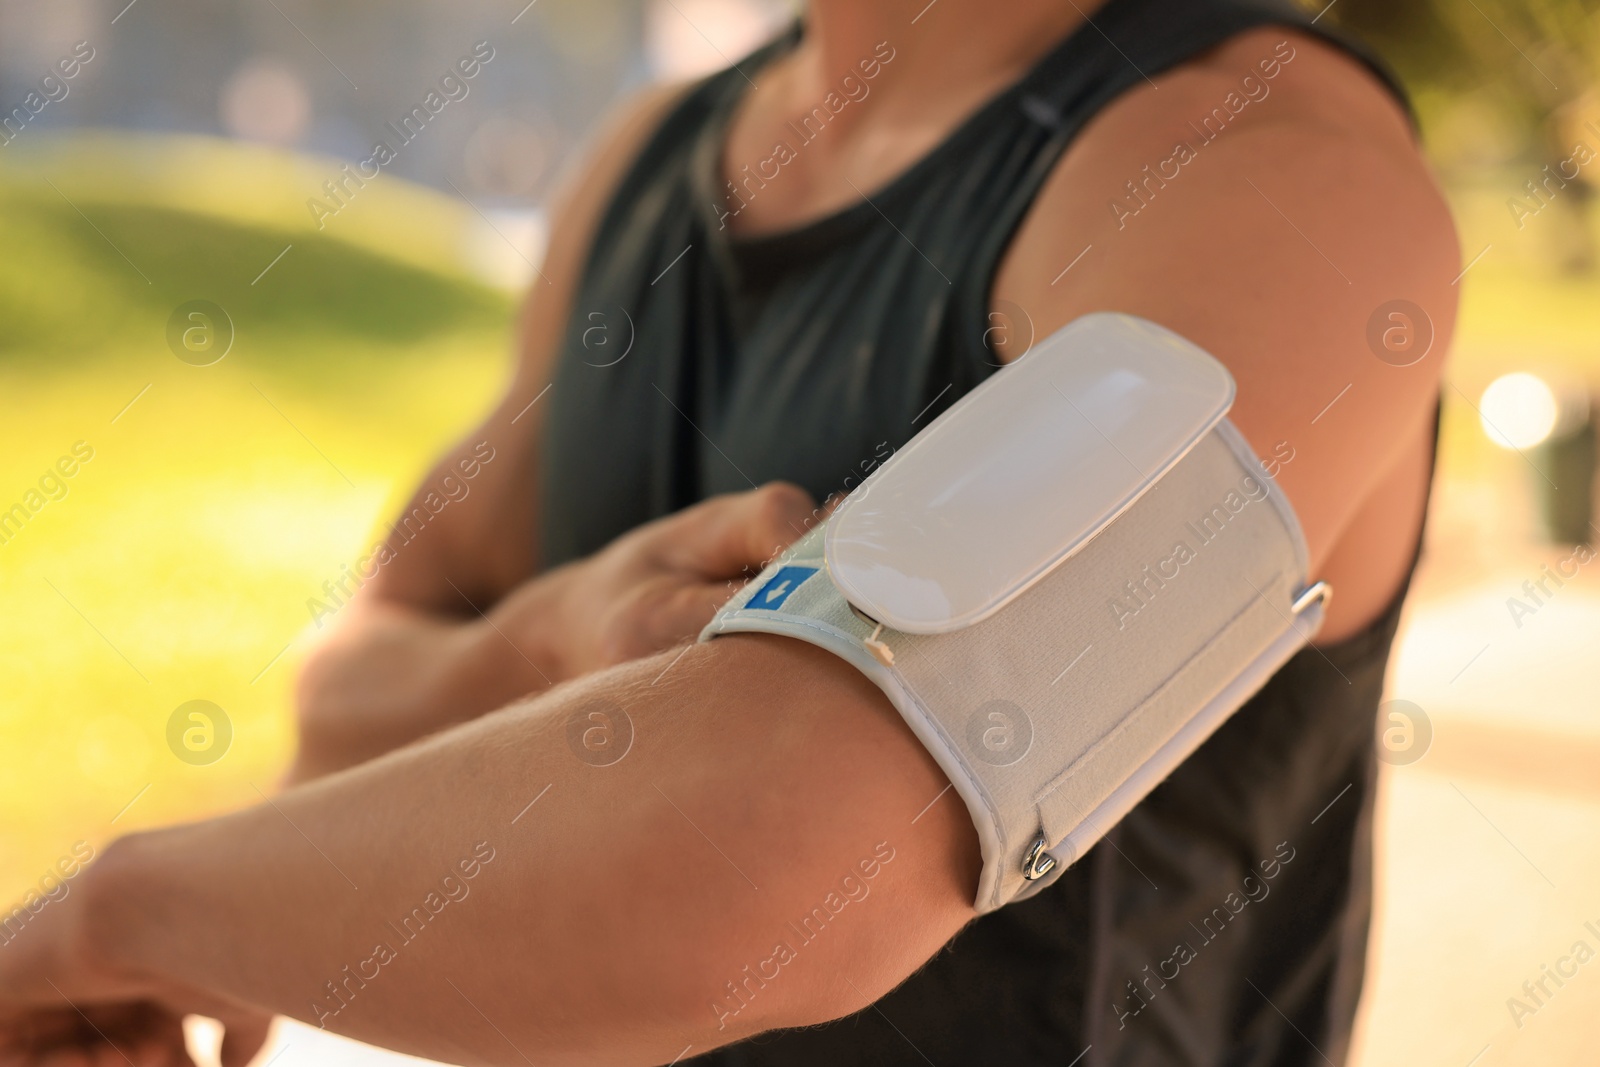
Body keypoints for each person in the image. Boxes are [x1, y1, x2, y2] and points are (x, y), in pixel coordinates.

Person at [0, 0, 1457, 1064]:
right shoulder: (659, 158)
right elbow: (345, 694)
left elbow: (778, 860)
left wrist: (132, 914)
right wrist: (541, 646)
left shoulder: (1277, 182)